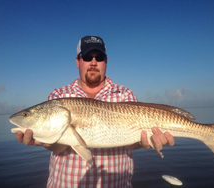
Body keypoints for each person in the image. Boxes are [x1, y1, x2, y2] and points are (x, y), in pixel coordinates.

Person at [15, 36, 175, 188]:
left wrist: (144, 141)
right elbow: (60, 147)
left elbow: (131, 144)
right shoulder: (58, 96)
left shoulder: (125, 94)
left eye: (99, 57)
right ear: (78, 61)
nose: (93, 62)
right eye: (87, 57)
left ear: (105, 61)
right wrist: (45, 142)